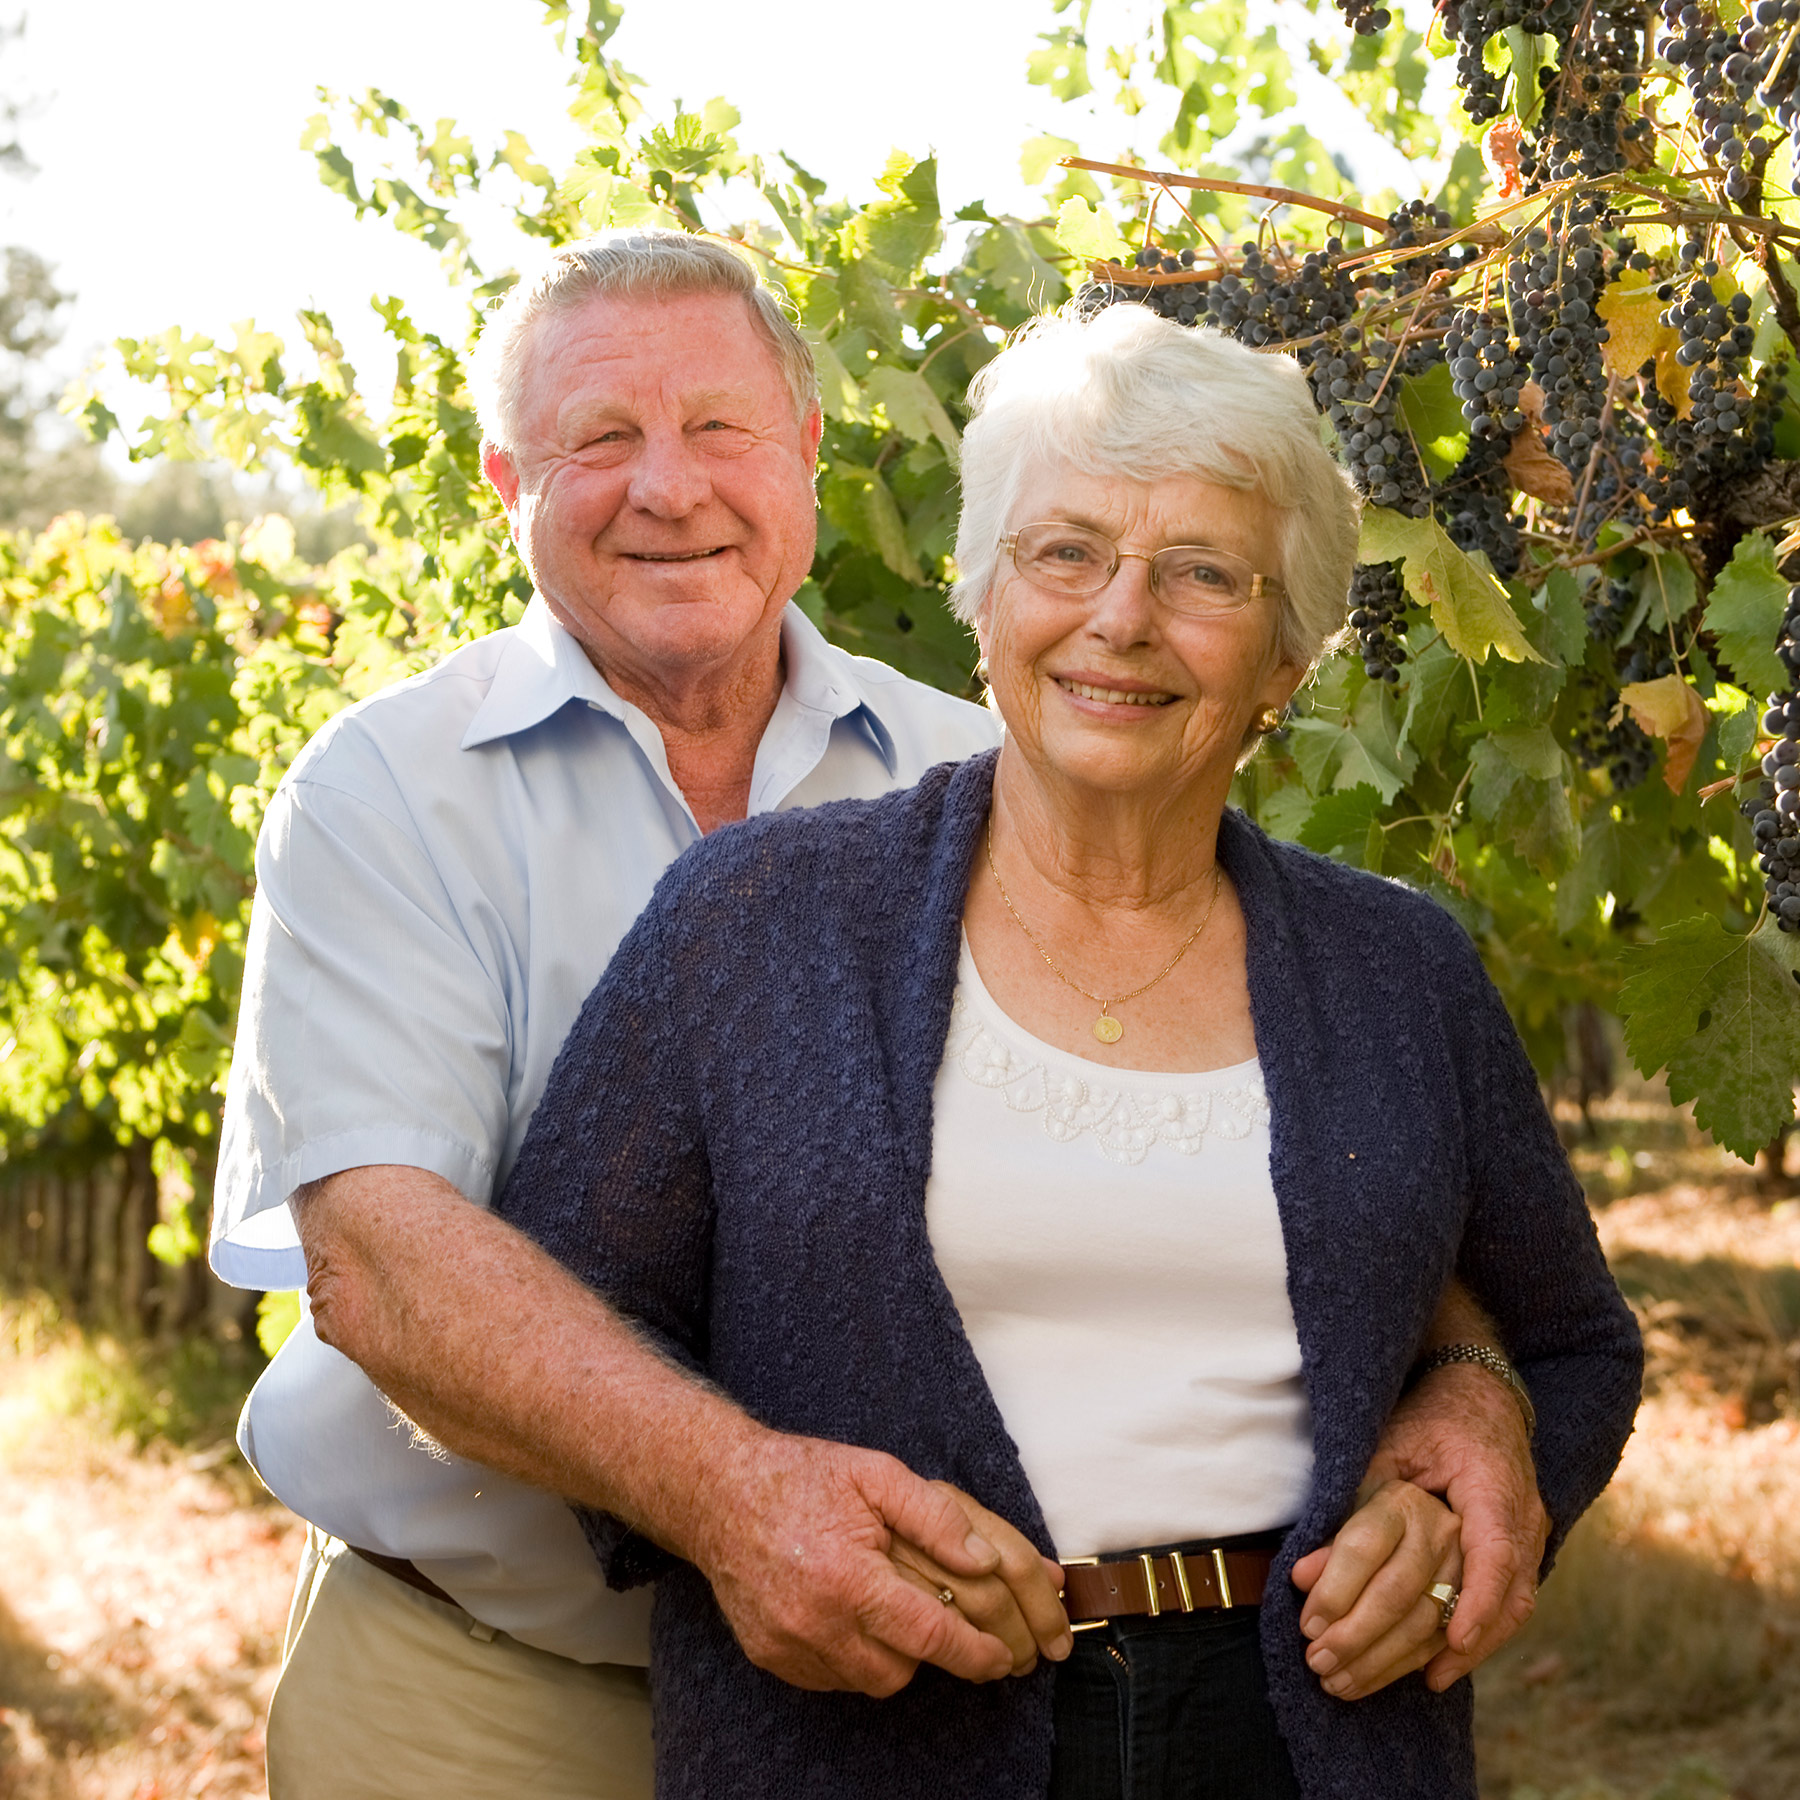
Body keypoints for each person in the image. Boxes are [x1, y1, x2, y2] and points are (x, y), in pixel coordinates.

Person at [211, 233, 1560, 1800]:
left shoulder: (998, 762)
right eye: (599, 439)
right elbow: (380, 1260)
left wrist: (1473, 1387)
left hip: (920, 1719)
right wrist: (731, 1497)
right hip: (490, 1682)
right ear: (509, 482)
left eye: (720, 428)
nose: (669, 487)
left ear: (803, 455)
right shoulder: (385, 791)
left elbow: (1306, 1177)